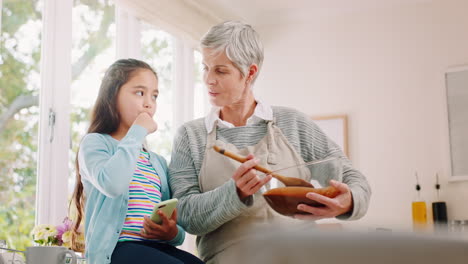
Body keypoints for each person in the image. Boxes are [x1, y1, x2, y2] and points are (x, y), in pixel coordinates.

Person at [168, 21, 372, 263]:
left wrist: (348, 201)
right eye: (205, 68)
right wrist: (234, 192)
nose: (208, 80)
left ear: (250, 73)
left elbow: (353, 179)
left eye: (221, 71)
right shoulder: (190, 136)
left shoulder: (292, 123)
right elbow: (186, 215)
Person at [70, 59, 204, 264]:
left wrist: (171, 233)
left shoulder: (157, 162)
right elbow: (113, 184)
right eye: (140, 93)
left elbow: (177, 231)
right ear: (112, 95)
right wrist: (137, 131)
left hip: (155, 248)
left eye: (155, 95)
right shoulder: (95, 143)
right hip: (117, 250)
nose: (149, 103)